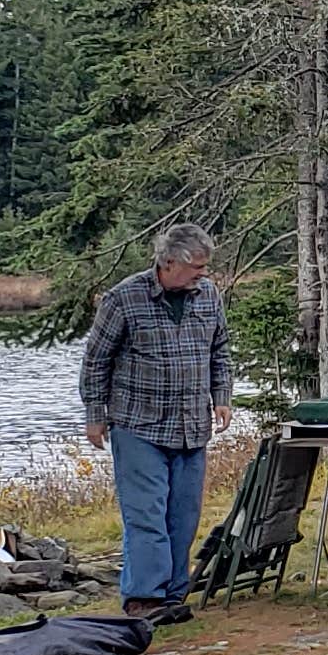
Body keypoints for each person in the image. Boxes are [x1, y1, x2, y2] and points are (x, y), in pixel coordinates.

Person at [79, 224, 237, 623]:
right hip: (138, 425)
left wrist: (222, 397)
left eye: (206, 266)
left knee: (183, 516)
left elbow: (220, 350)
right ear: (168, 263)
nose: (203, 273)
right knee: (146, 515)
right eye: (196, 266)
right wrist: (95, 415)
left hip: (190, 426)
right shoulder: (123, 298)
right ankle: (143, 599)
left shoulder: (208, 296)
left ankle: (173, 595)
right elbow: (96, 360)